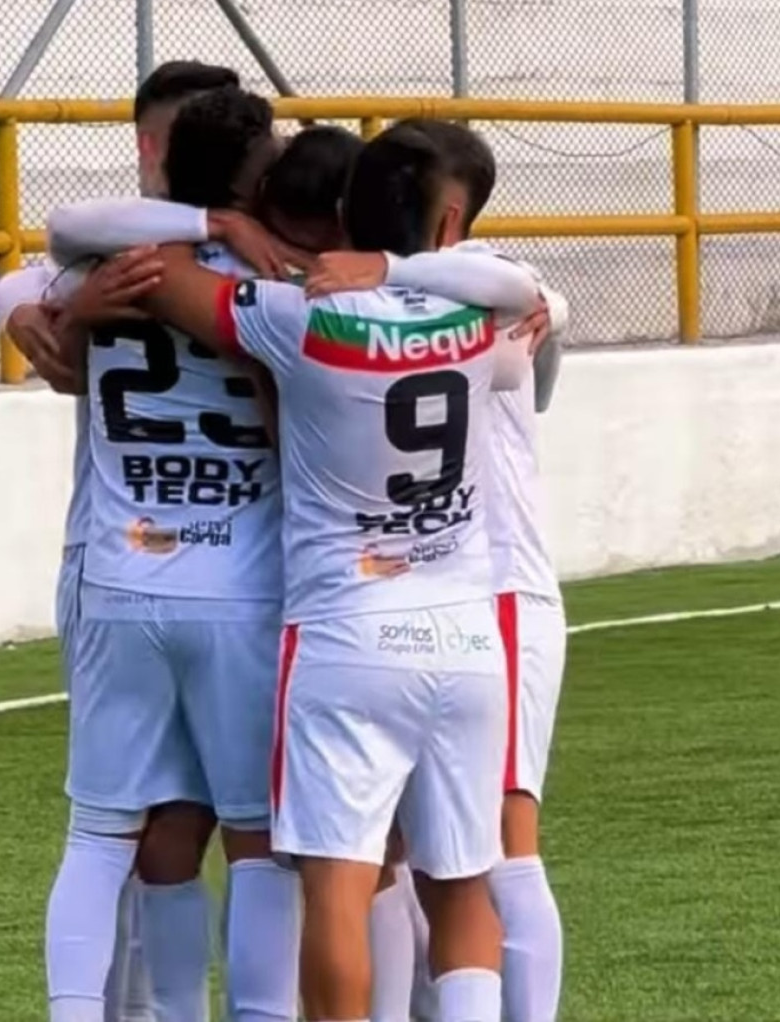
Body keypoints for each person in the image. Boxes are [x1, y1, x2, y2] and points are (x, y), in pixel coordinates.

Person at [115, 120, 545, 1022]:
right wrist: (398, 267)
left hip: (347, 637)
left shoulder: (297, 317)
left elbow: (161, 278)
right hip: (466, 637)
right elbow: (521, 291)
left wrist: (228, 226)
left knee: (338, 890)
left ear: (346, 209)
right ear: (447, 223)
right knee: (462, 888)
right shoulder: (480, 316)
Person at [0, 61, 249, 1022]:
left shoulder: (107, 259)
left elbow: (34, 266)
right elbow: (21, 279)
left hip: (124, 572)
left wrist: (48, 308)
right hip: (227, 580)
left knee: (130, 832)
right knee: (231, 838)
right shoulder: (268, 267)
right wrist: (38, 308)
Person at [308, 116, 570, 1022]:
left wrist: (386, 268)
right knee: (390, 849)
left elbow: (539, 303)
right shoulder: (462, 290)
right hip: (435, 601)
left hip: (495, 588)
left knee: (499, 847)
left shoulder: (482, 281)